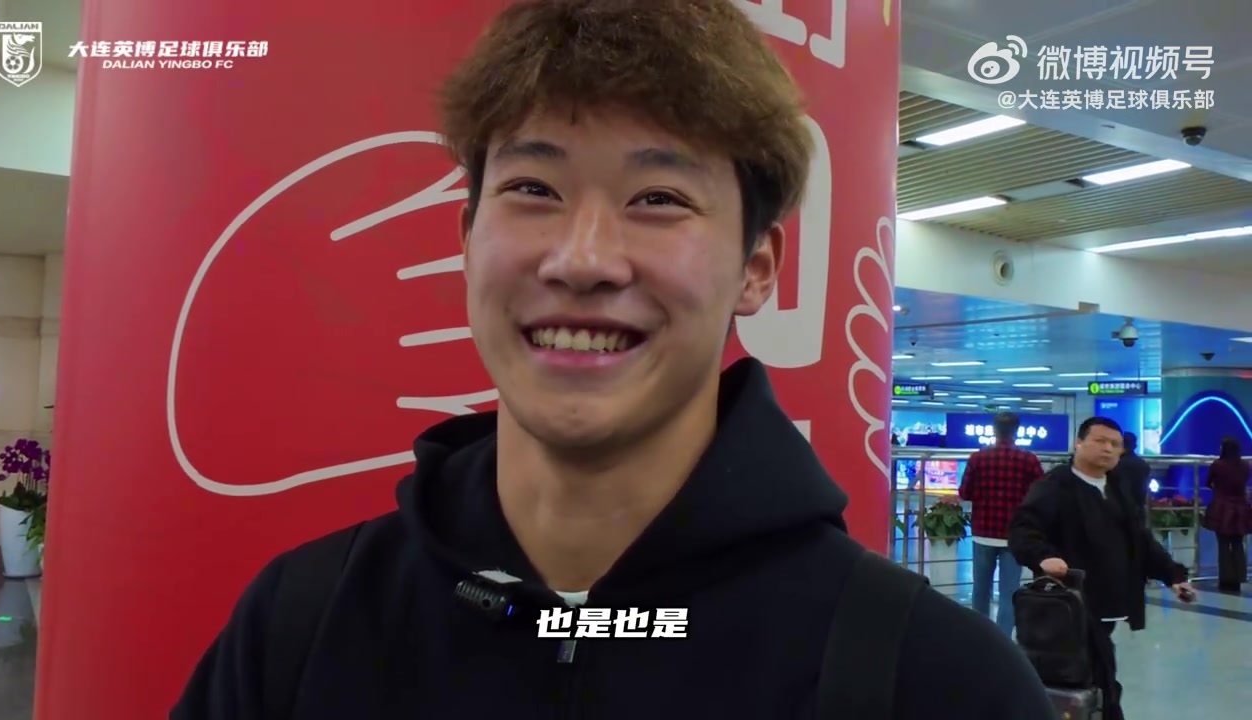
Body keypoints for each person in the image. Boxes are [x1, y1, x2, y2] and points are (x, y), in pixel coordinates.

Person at [172, 2, 1052, 718]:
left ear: (757, 269)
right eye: (533, 189)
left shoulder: (936, 681)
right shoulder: (301, 624)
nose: (583, 259)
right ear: (468, 238)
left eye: (658, 198)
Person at [1009, 417, 1196, 720]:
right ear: (1078, 443)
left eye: (1115, 444)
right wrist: (1043, 557)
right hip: (1070, 603)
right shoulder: (1055, 486)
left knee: (1093, 676)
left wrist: (1173, 576)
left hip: (1110, 601)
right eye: (1100, 441)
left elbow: (1141, 541)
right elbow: (1023, 530)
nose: (1108, 449)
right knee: (1096, 675)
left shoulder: (1118, 487)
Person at [957, 412, 1044, 638]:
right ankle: (1003, 640)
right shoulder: (1028, 460)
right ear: (1017, 431)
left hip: (983, 532)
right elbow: (1040, 495)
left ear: (994, 430)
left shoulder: (978, 458)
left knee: (980, 588)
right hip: (1014, 535)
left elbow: (965, 492)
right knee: (1009, 592)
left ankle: (978, 636)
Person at [1202, 436, 1251, 592]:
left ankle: (1226, 579)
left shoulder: (1218, 465)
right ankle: (1239, 577)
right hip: (1241, 508)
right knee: (1238, 543)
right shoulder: (1245, 466)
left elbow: (1208, 483)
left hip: (1222, 508)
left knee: (1223, 544)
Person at [1115, 431, 1153, 520]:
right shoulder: (1143, 464)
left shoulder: (1116, 464)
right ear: (1135, 446)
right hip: (1138, 511)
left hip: (1119, 512)